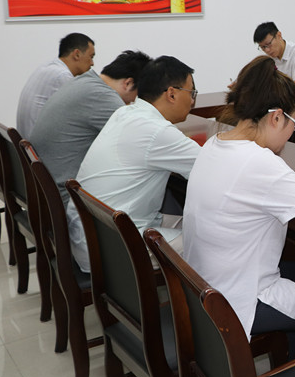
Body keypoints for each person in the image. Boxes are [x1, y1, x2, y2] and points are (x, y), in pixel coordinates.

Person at [184, 56, 295, 359]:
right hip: (237, 299)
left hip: (203, 285)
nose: (293, 131)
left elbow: (248, 187)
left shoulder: (216, 143)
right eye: (294, 123)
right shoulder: (262, 162)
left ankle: (293, 360)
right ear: (277, 117)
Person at [67, 56, 201, 272]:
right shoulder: (156, 131)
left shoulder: (125, 112)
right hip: (112, 248)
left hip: (94, 233)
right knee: (211, 244)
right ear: (172, 94)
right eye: (191, 92)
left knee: (200, 226)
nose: (193, 101)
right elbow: (211, 169)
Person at [30, 50, 152, 206]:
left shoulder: (82, 81)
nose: (132, 102)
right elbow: (142, 141)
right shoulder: (104, 96)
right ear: (128, 83)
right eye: (137, 96)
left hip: (45, 189)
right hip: (65, 198)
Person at [16, 32, 96, 138]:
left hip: (25, 141)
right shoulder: (62, 76)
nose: (92, 63)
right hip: (37, 145)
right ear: (77, 54)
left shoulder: (46, 67)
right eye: (91, 57)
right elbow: (82, 117)